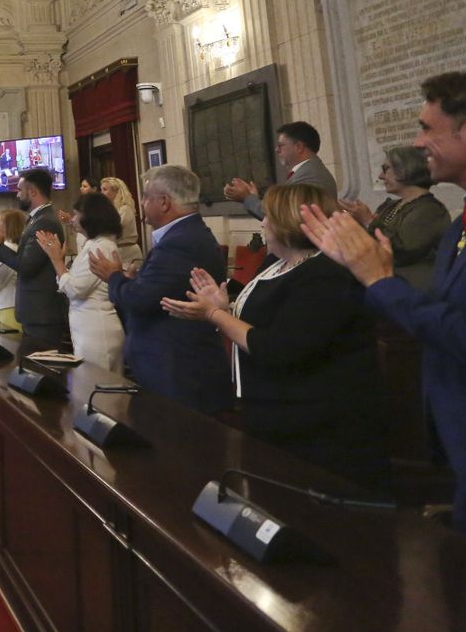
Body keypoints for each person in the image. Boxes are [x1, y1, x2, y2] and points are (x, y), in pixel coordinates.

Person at [299, 67, 466, 581]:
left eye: (428, 128)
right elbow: (439, 318)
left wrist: (380, 281)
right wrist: (367, 276)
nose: (418, 142)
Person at [165, 184, 388, 490]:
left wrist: (215, 316)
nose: (263, 223)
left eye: (269, 216)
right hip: (273, 410)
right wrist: (224, 305)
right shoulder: (277, 263)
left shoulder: (325, 273)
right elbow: (265, 319)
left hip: (319, 423)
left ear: (287, 222)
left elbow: (280, 347)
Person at [89, 164, 230, 414]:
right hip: (172, 366)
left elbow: (141, 299)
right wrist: (130, 281)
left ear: (164, 202)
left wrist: (113, 276)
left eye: (145, 197)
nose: (142, 204)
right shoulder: (185, 235)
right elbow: (157, 291)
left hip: (177, 370)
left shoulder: (179, 243)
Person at [337, 145, 451, 290]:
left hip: (411, 290)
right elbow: (370, 245)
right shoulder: (391, 206)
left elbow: (401, 252)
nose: (380, 176)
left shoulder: (430, 210)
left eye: (386, 169)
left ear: (405, 169)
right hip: (383, 284)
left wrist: (368, 221)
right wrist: (353, 223)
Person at [39, 192, 126, 372]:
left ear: (91, 217)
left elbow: (75, 289)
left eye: (77, 214)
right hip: (89, 326)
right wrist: (61, 265)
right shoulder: (94, 243)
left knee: (97, 389)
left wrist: (56, 261)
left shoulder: (99, 246)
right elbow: (74, 281)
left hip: (96, 330)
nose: (73, 219)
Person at [0, 168, 68, 347]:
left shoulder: (45, 221)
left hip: (41, 311)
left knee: (40, 368)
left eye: (19, 190)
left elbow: (27, 266)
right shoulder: (36, 219)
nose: (17, 195)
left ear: (32, 191)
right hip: (35, 311)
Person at [224, 121, 337, 219]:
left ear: (299, 147)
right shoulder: (307, 171)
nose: (276, 150)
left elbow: (283, 217)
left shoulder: (311, 176)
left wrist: (247, 198)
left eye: (281, 145)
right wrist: (252, 197)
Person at [98, 175, 144, 266]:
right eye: (101, 189)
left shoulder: (125, 209)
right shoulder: (111, 209)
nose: (101, 193)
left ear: (115, 191)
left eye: (105, 189)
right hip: (117, 250)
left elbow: (115, 229)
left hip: (127, 251)